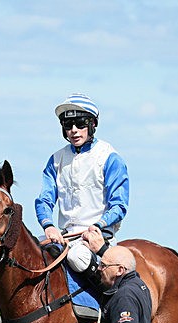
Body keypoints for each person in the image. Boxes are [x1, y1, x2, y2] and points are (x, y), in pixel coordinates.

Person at [35, 93, 129, 294]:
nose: (74, 130)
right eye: (68, 125)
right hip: (63, 236)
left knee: (77, 257)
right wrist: (48, 225)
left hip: (97, 235)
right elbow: (44, 199)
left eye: (80, 123)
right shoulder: (56, 159)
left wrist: (98, 226)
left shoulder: (109, 157)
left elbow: (119, 206)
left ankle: (109, 301)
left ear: (93, 124)